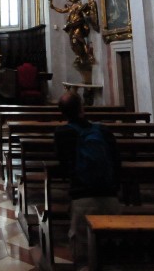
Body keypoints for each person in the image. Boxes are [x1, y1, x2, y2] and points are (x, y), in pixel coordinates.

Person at [54, 92, 121, 271]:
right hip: (110, 195)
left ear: (62, 113)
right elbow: (116, 162)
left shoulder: (62, 133)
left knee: (83, 257)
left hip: (82, 196)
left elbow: (63, 166)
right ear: (82, 108)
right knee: (112, 252)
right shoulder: (104, 131)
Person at [49, 0, 98, 68]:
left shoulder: (79, 6)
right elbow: (62, 11)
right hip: (72, 27)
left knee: (78, 39)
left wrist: (87, 9)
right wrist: (53, 7)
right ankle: (79, 56)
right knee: (73, 43)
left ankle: (88, 55)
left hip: (78, 26)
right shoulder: (71, 7)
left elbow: (86, 12)